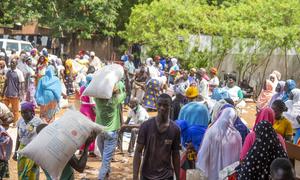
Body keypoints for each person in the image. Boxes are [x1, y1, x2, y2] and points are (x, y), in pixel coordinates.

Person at [133, 94, 180, 180]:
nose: (162, 108)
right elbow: (138, 151)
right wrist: (135, 177)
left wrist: (178, 177)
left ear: (171, 106)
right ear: (156, 105)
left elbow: (176, 154)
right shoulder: (146, 126)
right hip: (147, 175)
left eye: (165, 105)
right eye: (160, 104)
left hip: (166, 176)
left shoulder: (175, 129)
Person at [196, 107, 242, 180]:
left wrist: (202, 169)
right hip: (228, 175)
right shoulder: (237, 135)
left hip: (212, 174)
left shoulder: (210, 132)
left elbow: (203, 154)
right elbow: (238, 158)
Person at [94, 80, 126, 180]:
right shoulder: (115, 100)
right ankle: (101, 178)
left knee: (104, 158)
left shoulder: (97, 100)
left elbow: (95, 91)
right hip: (111, 133)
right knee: (106, 160)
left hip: (100, 132)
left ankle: (107, 175)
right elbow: (124, 93)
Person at [13, 102, 43, 179]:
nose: (23, 114)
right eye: (22, 112)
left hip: (33, 151)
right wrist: (15, 152)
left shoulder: (38, 122)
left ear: (32, 112)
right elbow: (18, 138)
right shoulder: (20, 121)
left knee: (30, 172)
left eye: (26, 112)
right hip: (22, 150)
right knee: (21, 172)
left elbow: (43, 138)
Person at [2, 58, 25, 124]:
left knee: (15, 110)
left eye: (13, 63)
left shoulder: (19, 72)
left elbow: (22, 85)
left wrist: (21, 95)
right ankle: (5, 122)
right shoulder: (8, 71)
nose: (12, 64)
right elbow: (6, 82)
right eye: (11, 62)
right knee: (4, 109)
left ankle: (15, 122)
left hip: (15, 95)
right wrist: (3, 92)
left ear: (16, 64)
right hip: (7, 94)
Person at [79, 75, 96, 156]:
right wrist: (96, 113)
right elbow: (92, 102)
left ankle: (81, 148)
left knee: (83, 129)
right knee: (91, 130)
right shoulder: (91, 89)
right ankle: (91, 149)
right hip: (89, 110)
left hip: (82, 109)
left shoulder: (82, 87)